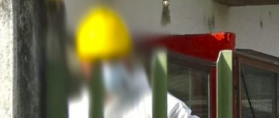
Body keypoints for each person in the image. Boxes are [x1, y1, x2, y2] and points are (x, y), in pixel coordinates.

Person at [68, 7, 197, 118]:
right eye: (97, 61)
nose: (106, 67)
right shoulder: (73, 111)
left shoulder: (161, 107)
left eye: (112, 58)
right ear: (83, 64)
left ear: (127, 60)